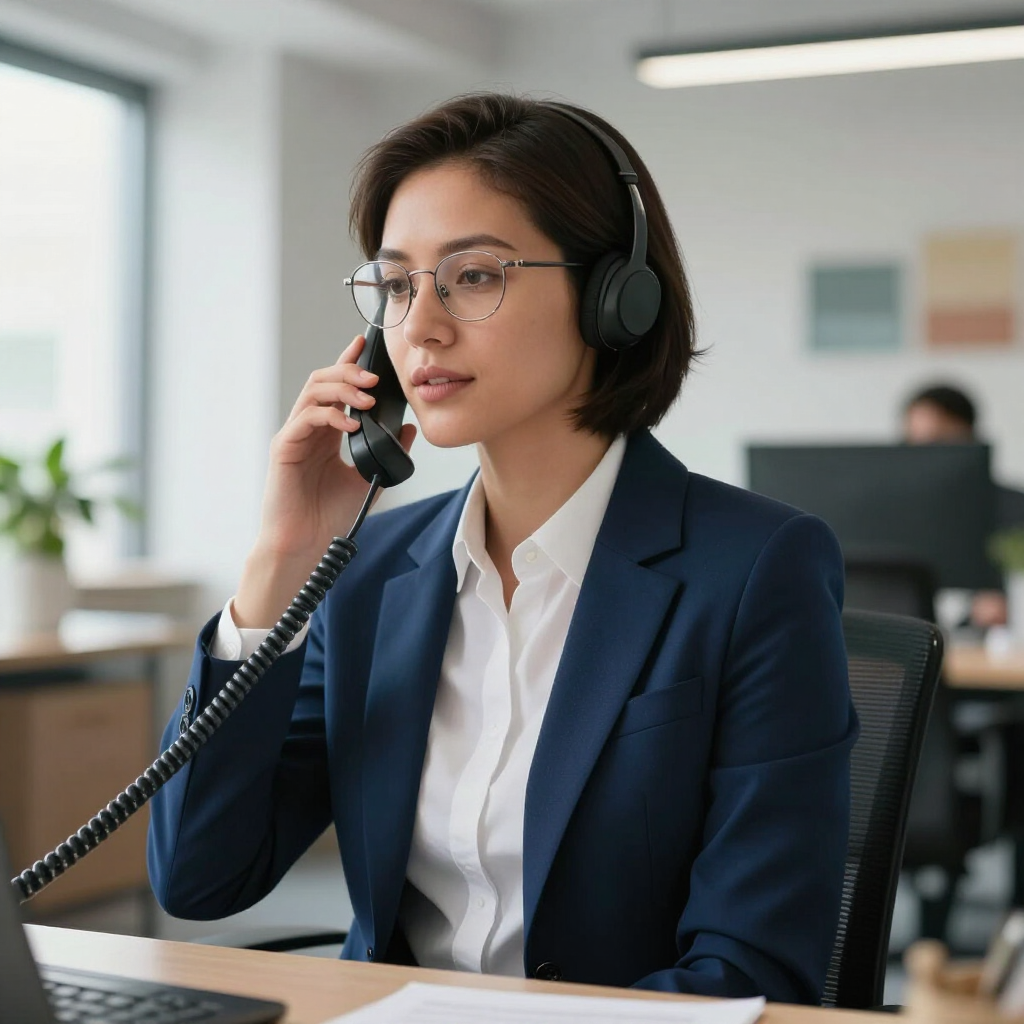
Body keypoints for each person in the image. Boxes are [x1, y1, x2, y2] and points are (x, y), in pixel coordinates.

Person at [148, 93, 856, 1003]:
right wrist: (279, 563)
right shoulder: (370, 570)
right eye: (398, 285)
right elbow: (203, 878)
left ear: (615, 299)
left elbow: (752, 970)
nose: (421, 327)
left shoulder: (759, 570)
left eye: (473, 276)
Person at [903, 382, 1024, 627]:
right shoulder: (899, 514)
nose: (925, 456)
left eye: (937, 442)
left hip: (990, 648)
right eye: (914, 444)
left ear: (969, 437)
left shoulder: (1013, 506)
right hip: (912, 640)